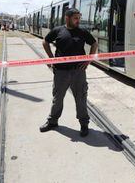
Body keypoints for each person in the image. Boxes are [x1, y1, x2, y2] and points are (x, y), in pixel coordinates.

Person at [39, 8, 98, 137]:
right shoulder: (58, 31)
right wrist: (51, 58)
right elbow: (45, 41)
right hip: (61, 72)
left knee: (81, 98)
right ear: (67, 18)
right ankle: (53, 121)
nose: (78, 21)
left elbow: (94, 43)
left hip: (78, 72)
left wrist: (88, 60)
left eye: (79, 18)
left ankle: (84, 124)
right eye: (75, 18)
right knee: (57, 98)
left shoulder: (82, 32)